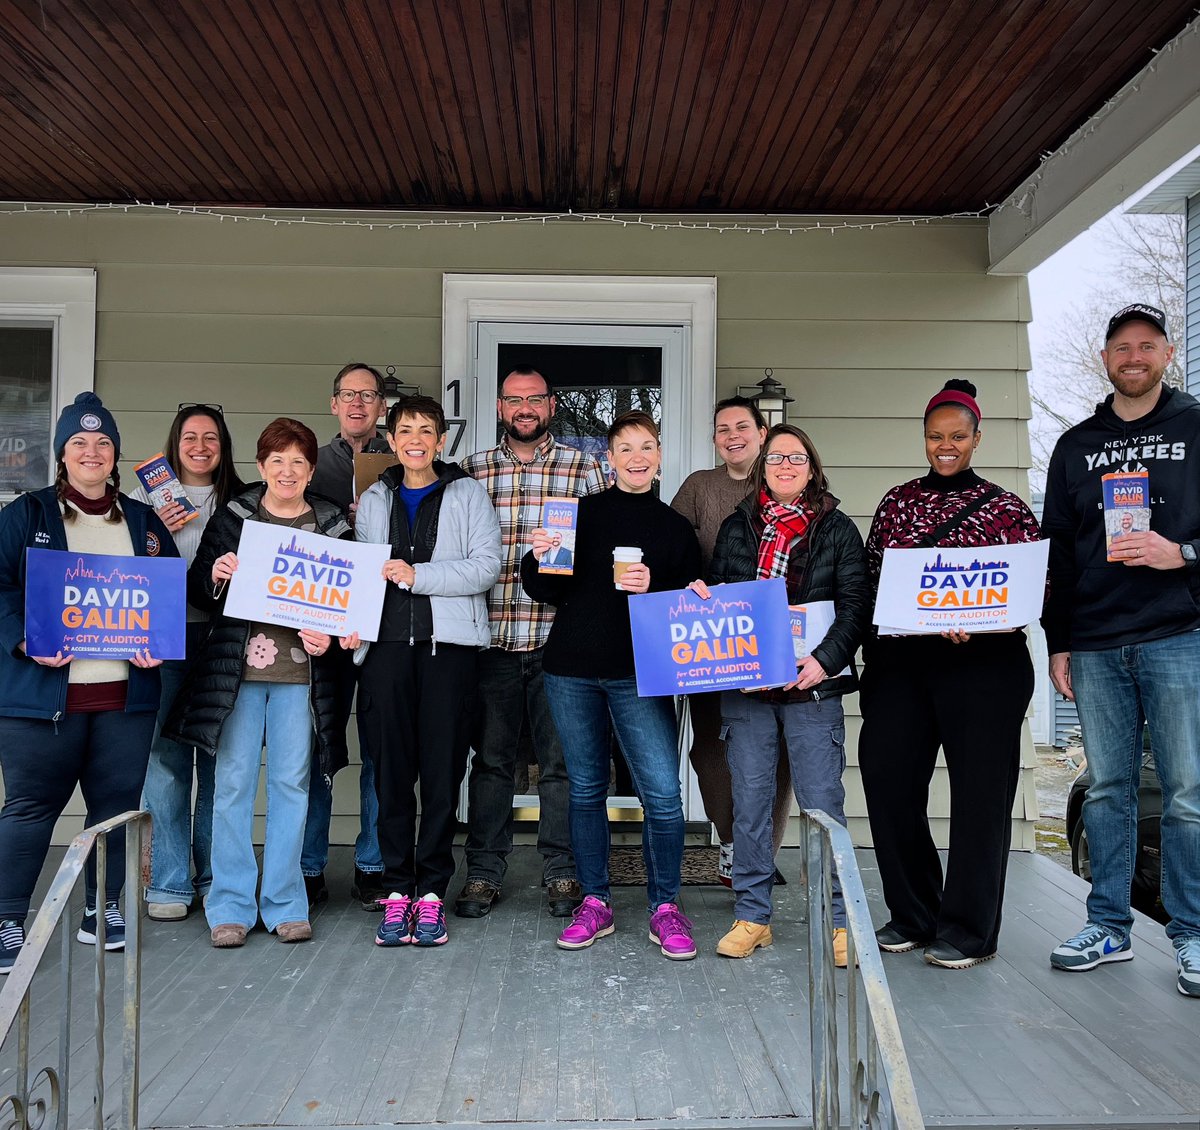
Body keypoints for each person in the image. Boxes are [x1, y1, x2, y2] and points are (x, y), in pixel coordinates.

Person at [1041, 304, 1200, 998]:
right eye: (1121, 348)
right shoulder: (1076, 445)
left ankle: (1191, 934)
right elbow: (1057, 551)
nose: (1133, 357)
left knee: (1187, 792)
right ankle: (1108, 925)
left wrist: (1181, 552)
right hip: (1097, 641)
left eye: (1146, 345)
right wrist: (1059, 642)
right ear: (1105, 359)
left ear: (1166, 352)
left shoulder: (1195, 426)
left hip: (1179, 635)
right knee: (1107, 789)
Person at [859, 379, 1041, 969]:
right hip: (904, 664)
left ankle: (968, 929)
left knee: (981, 796)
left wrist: (978, 622)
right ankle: (914, 912)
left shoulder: (1007, 509)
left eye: (958, 436)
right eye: (936, 436)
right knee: (887, 779)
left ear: (976, 438)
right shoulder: (897, 503)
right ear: (924, 437)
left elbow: (1031, 587)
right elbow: (873, 579)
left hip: (984, 665)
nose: (946, 445)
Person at [0, 393, 175, 972]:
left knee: (115, 809)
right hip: (41, 700)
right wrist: (24, 640)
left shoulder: (143, 522)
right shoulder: (27, 515)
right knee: (30, 810)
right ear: (62, 453)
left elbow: (162, 595)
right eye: (79, 442)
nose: (92, 452)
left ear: (116, 455)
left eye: (103, 443)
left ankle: (104, 908)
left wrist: (157, 640)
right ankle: (7, 917)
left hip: (124, 699)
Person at [521, 411, 702, 959]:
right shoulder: (579, 514)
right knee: (585, 790)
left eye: (646, 447)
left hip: (641, 675)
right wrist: (538, 554)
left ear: (659, 456)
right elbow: (544, 590)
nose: (636, 457)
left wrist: (658, 585)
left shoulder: (675, 527)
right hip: (571, 670)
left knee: (663, 796)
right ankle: (595, 900)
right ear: (610, 458)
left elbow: (689, 601)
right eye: (625, 448)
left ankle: (665, 906)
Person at [165, 418, 352, 948]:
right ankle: (229, 904)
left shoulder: (333, 524)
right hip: (237, 675)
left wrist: (331, 636)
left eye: (298, 462)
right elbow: (198, 590)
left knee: (292, 786)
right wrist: (216, 574)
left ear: (311, 470)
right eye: (277, 461)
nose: (287, 471)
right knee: (233, 786)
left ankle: (285, 902)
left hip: (302, 677)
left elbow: (351, 603)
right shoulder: (236, 516)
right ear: (262, 466)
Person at [693, 424, 868, 964]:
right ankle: (753, 916)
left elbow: (856, 605)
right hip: (748, 689)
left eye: (796, 458)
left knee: (822, 804)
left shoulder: (836, 528)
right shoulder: (737, 526)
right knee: (749, 803)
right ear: (762, 469)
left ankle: (840, 920)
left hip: (812, 687)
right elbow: (722, 594)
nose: (785, 466)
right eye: (775, 459)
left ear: (812, 468)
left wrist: (824, 661)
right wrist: (703, 598)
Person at [458, 367, 605, 919]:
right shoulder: (471, 471)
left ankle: (562, 870)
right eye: (514, 399)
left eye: (535, 399)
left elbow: (603, 546)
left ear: (551, 404)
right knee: (492, 763)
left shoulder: (585, 468)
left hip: (559, 642)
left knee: (560, 765)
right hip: (490, 637)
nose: (525, 407)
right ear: (500, 407)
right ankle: (483, 872)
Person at [355, 395, 501, 947]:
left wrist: (420, 576)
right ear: (391, 439)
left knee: (441, 775)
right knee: (391, 774)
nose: (415, 439)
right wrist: (351, 624)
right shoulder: (375, 497)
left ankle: (433, 892)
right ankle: (397, 892)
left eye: (425, 430)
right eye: (405, 430)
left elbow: (485, 568)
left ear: (440, 441)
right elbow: (362, 574)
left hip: (449, 651)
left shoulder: (467, 493)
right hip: (386, 650)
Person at [671, 396, 793, 885]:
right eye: (723, 429)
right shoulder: (700, 487)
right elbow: (672, 546)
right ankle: (731, 841)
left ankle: (763, 850)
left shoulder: (784, 479)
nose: (732, 436)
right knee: (711, 747)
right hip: (713, 636)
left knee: (776, 748)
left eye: (742, 426)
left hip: (775, 634)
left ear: (763, 433)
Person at [129, 405, 244, 920]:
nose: (200, 446)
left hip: (224, 638)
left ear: (224, 445)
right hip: (162, 639)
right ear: (174, 443)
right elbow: (123, 570)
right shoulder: (142, 499)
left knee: (221, 763)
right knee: (166, 761)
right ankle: (171, 881)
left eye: (211, 437)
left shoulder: (242, 501)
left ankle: (216, 877)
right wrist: (153, 530)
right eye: (190, 437)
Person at [303, 362, 390, 911]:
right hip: (322, 622)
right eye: (348, 394)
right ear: (334, 403)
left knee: (381, 748)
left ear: (381, 405)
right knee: (319, 746)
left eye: (368, 395)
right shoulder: (310, 463)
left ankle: (373, 865)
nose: (358, 403)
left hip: (383, 622)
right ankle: (309, 866)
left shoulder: (402, 460)